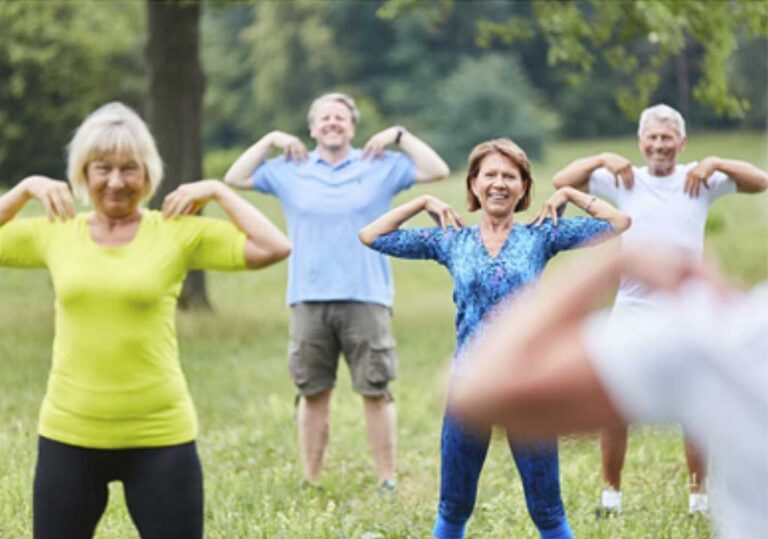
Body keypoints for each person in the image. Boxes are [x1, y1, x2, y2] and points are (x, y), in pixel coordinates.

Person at [0, 102, 291, 539]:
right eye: (102, 168)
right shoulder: (56, 230)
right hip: (69, 432)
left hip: (160, 435)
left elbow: (274, 246)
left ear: (148, 175)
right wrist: (23, 190)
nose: (116, 182)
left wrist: (218, 190)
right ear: (83, 173)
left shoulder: (175, 231)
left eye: (129, 169)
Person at [359, 138, 631, 539]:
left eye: (510, 176)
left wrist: (571, 193)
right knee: (454, 505)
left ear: (523, 188)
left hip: (529, 384)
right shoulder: (451, 239)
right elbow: (371, 235)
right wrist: (423, 204)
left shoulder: (541, 235)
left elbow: (619, 224)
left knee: (547, 508)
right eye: (490, 175)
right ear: (473, 184)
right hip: (469, 384)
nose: (499, 183)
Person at [450, 248, 768, 539]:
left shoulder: (727, 337)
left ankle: (692, 493)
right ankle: (615, 493)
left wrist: (611, 265)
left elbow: (480, 391)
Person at [224, 92, 449, 489]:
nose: (332, 123)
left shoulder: (378, 164)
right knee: (313, 391)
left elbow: (437, 170)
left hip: (367, 295)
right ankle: (310, 479)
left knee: (375, 389)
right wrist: (271, 139)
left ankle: (387, 480)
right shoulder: (290, 168)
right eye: (324, 118)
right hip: (308, 297)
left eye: (340, 118)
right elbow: (235, 179)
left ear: (352, 127)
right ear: (312, 128)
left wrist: (398, 135)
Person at [552, 103, 768, 515]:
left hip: (687, 305)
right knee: (614, 401)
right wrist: (600, 158)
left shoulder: (699, 179)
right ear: (641, 142)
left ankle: (698, 498)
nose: (659, 145)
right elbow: (563, 180)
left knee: (699, 404)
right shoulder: (623, 178)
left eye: (667, 137)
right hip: (632, 304)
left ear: (681, 143)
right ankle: (610, 498)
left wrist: (717, 162)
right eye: (651, 137)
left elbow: (760, 182)